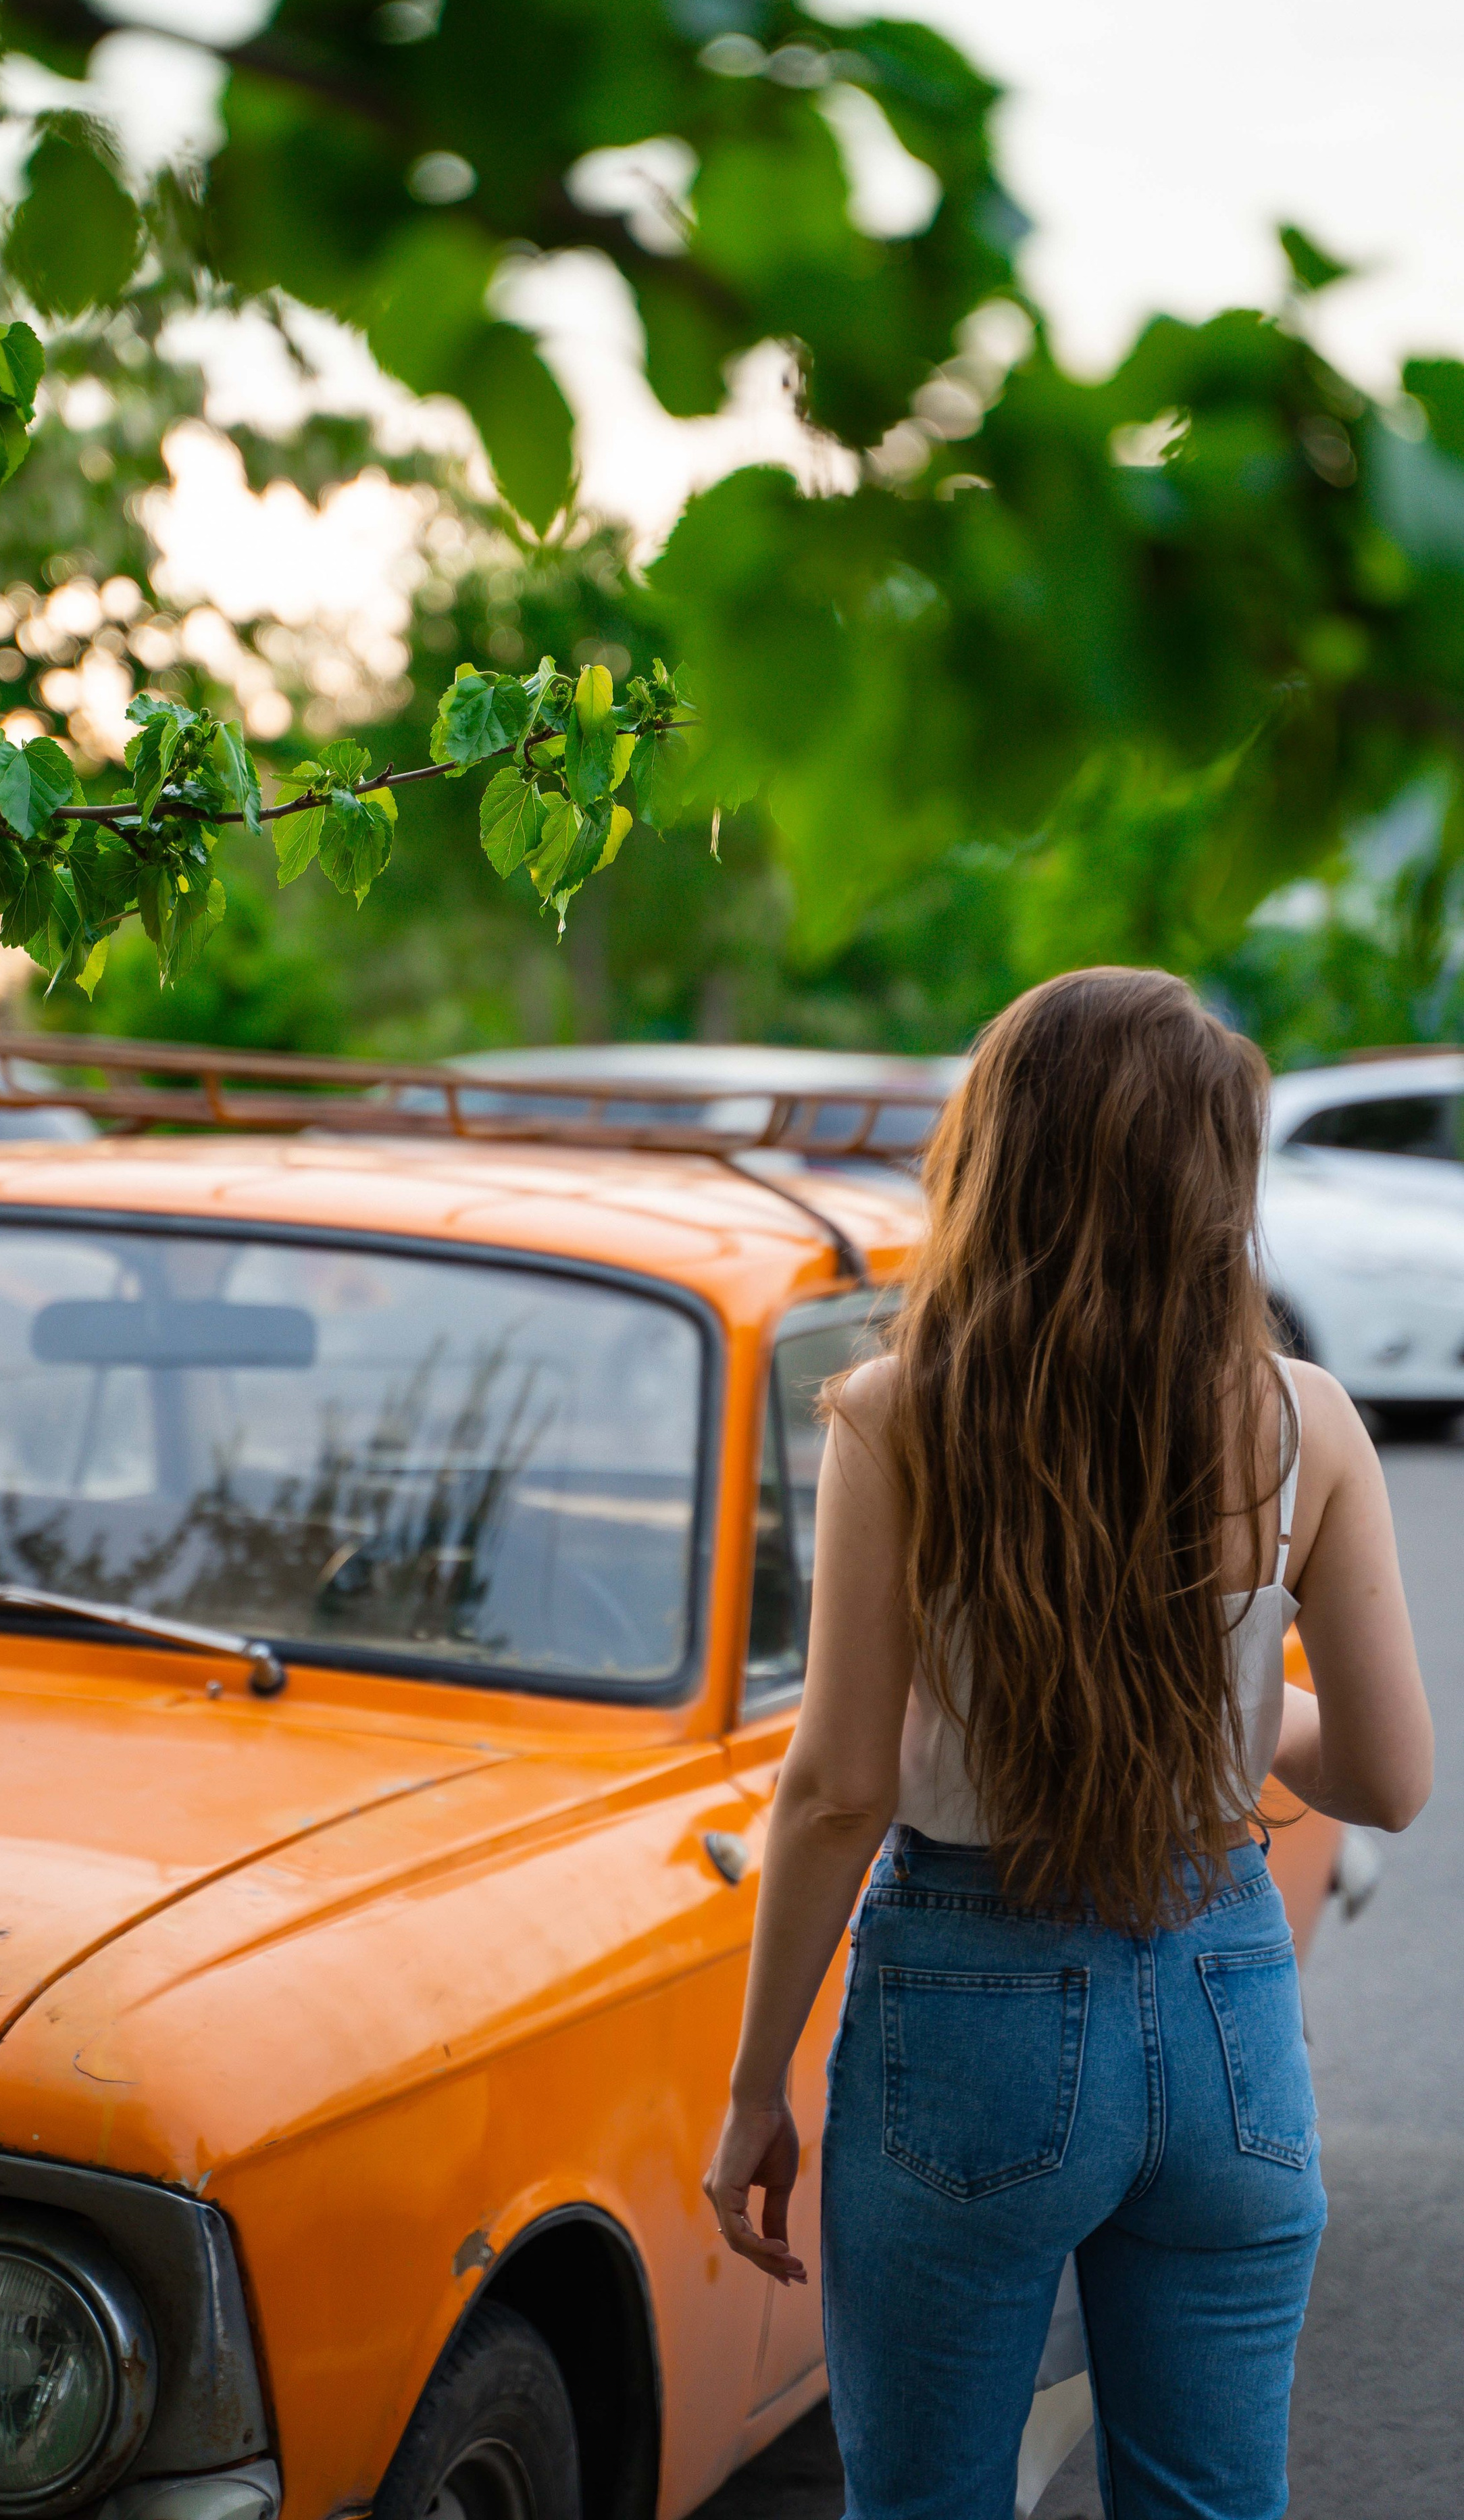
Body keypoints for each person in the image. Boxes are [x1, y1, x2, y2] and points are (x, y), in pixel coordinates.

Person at [703, 967, 1432, 2520]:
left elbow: (836, 1791)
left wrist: (755, 2086)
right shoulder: (1307, 1423)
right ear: (1213, 1183)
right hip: (1225, 2001)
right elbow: (1384, 1782)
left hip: (967, 2006)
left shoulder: (900, 1418)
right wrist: (1230, 1712)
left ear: (996, 1154)